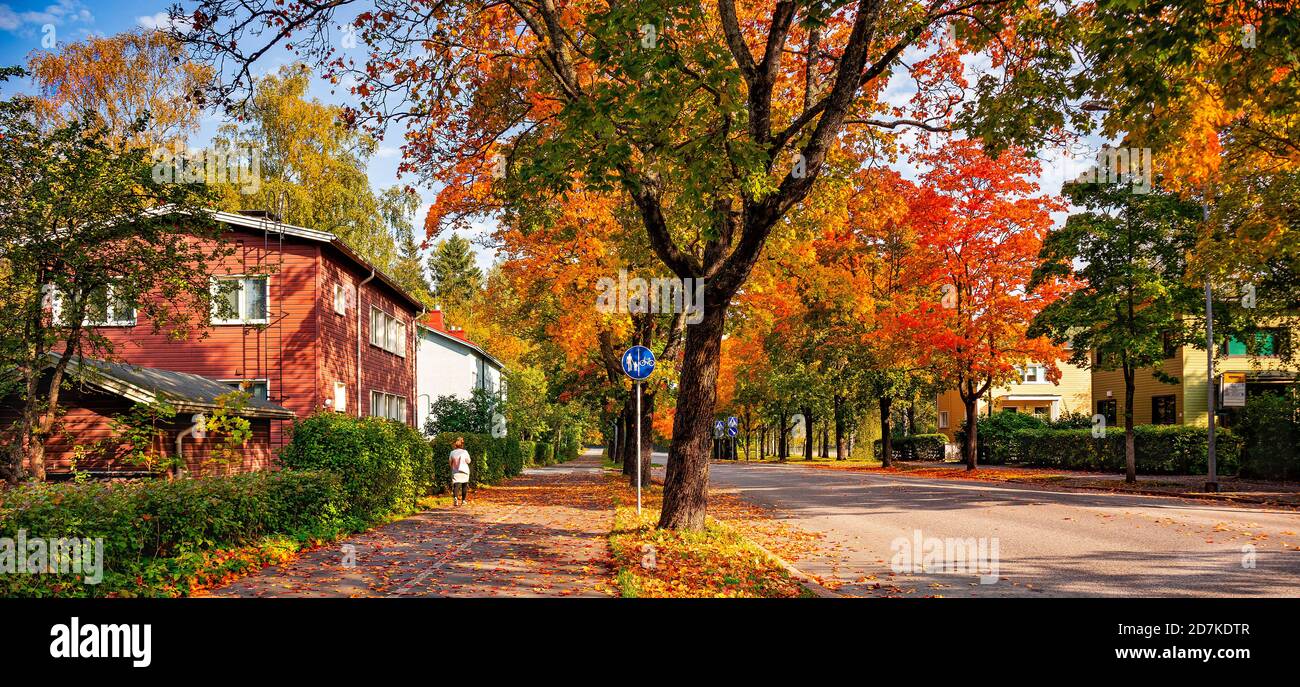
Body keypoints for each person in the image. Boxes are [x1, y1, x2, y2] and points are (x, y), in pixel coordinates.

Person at [449, 437, 471, 506]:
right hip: (464, 470)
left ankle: (455, 498)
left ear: (455, 445)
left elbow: (450, 462)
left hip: (456, 471)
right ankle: (463, 501)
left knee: (456, 485)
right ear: (462, 445)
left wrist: (453, 467)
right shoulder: (465, 452)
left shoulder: (452, 452)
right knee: (464, 485)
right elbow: (469, 461)